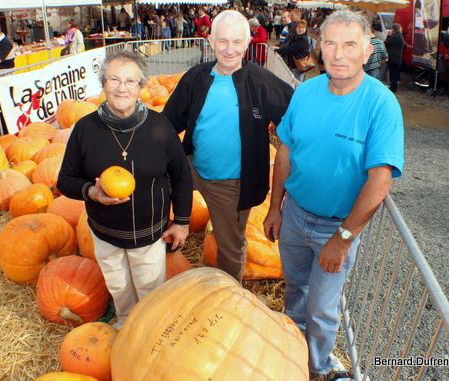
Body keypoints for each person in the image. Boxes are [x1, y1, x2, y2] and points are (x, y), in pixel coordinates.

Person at [263, 10, 404, 381]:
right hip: (293, 216)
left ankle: (319, 367)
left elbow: (380, 179)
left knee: (323, 307)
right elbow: (285, 152)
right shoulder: (306, 92)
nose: (338, 54)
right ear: (319, 49)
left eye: (349, 45)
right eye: (330, 44)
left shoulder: (381, 104)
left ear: (366, 50)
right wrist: (274, 208)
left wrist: (343, 239)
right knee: (294, 290)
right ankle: (292, 357)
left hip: (335, 227)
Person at [57, 51, 192, 328]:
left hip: (148, 236)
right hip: (105, 234)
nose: (122, 87)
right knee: (119, 288)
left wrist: (182, 222)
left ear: (141, 86)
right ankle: (125, 325)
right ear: (103, 83)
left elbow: (181, 176)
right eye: (114, 79)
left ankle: (148, 333)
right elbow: (65, 180)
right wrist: (90, 192)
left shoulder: (160, 127)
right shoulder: (84, 129)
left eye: (130, 81)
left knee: (150, 290)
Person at [163, 10, 293, 283]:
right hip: (191, 166)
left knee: (230, 247)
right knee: (148, 186)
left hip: (231, 184)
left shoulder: (262, 82)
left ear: (248, 44)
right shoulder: (196, 78)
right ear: (210, 41)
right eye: (223, 41)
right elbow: (166, 123)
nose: (230, 49)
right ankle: (156, 246)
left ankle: (227, 294)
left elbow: (297, 120)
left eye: (237, 42)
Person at [385, 23, 405, 93]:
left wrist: (388, 36)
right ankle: (393, 88)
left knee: (393, 74)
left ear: (393, 29)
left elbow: (386, 43)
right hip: (398, 59)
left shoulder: (395, 36)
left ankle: (393, 88)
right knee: (395, 74)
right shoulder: (400, 36)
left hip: (393, 59)